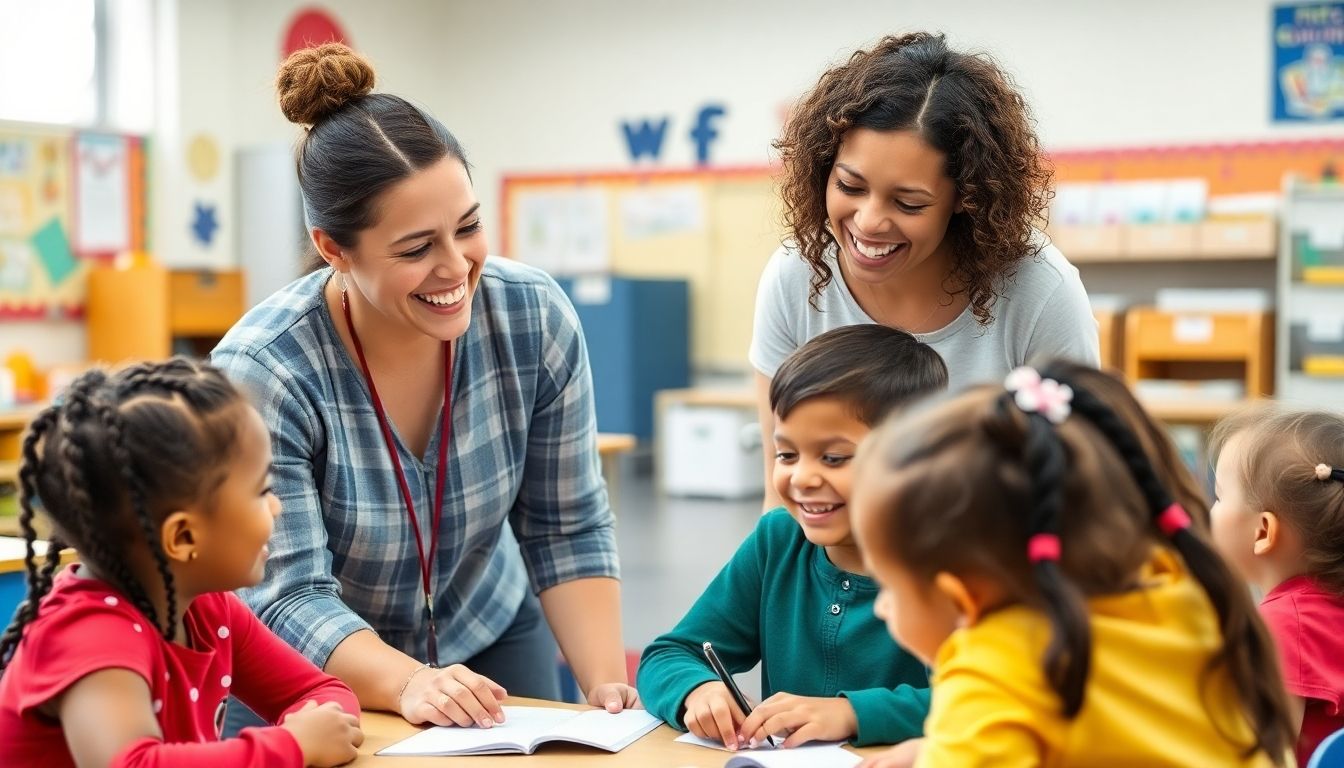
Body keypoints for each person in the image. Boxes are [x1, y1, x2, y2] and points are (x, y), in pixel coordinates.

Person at [211, 43, 636, 731]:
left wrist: (607, 692)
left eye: (467, 227)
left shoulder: (531, 315)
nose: (455, 267)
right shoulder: (265, 371)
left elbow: (567, 524)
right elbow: (286, 597)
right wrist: (414, 683)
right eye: (415, 248)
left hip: (487, 630)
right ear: (333, 249)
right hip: (310, 668)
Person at [850, 361, 1295, 767]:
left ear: (960, 598)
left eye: (889, 587)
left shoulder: (991, 668)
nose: (883, 608)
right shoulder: (1180, 586)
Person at [751, 32, 1099, 507]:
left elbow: (1074, 485)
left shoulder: (1038, 290)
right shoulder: (797, 275)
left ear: (965, 198)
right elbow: (781, 492)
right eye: (850, 186)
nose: (870, 222)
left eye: (908, 202)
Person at [0, 359, 363, 766]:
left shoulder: (209, 608)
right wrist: (293, 746)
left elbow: (319, 692)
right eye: (262, 491)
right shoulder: (90, 635)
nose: (276, 507)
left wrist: (314, 732)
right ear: (184, 537)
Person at [638, 325, 946, 750]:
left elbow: (990, 699)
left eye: (833, 457)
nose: (801, 478)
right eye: (786, 454)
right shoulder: (779, 541)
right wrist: (699, 691)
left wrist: (852, 713)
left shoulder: (952, 560)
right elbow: (668, 655)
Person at [1210, 406, 1344, 765]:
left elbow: (1262, 755)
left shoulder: (1283, 626)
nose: (1212, 507)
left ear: (1263, 531)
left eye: (1220, 497)